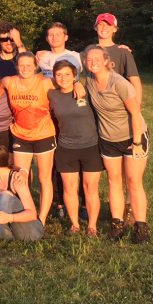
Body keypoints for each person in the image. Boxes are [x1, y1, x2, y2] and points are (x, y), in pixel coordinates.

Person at [83, 46, 150, 243]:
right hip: (108, 139)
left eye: (97, 59)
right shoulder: (89, 81)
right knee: (114, 181)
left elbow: (135, 113)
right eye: (89, 59)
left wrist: (137, 142)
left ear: (106, 61)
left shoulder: (119, 83)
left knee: (134, 182)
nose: (93, 62)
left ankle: (141, 227)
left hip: (132, 136)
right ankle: (117, 224)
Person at [2, 52, 58, 224]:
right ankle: (25, 212)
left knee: (44, 178)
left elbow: (67, 85)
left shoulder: (45, 82)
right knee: (20, 177)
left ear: (35, 66)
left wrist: (77, 86)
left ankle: (41, 218)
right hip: (20, 134)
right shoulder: (9, 82)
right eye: (21, 65)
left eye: (29, 65)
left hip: (44, 134)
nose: (25, 68)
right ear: (16, 66)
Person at [49, 60, 103, 236]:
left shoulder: (86, 91)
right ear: (54, 77)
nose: (62, 78)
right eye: (58, 74)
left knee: (90, 187)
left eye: (67, 74)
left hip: (91, 146)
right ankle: (75, 225)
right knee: (69, 188)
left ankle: (92, 226)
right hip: (66, 148)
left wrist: (79, 84)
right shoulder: (51, 94)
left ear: (74, 76)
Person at [83, 13, 143, 102]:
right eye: (101, 24)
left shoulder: (123, 51)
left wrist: (136, 110)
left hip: (117, 104)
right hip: (94, 103)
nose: (104, 28)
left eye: (108, 25)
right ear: (95, 27)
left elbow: (135, 82)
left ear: (115, 29)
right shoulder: (89, 50)